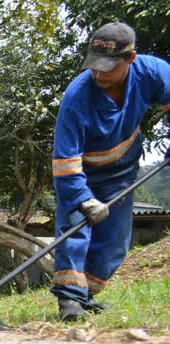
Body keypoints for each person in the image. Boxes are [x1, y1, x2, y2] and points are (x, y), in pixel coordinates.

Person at [51, 22, 170, 321]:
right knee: (73, 232)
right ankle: (69, 301)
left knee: (115, 242)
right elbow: (65, 159)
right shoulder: (77, 96)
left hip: (122, 171)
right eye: (95, 67)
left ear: (130, 59)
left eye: (108, 67)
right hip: (81, 173)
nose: (100, 75)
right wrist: (83, 199)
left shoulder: (153, 73)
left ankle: (86, 296)